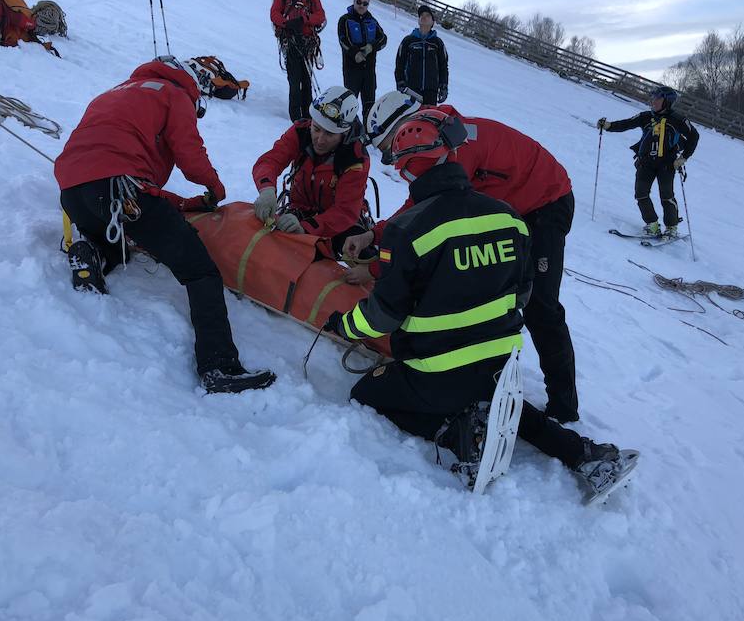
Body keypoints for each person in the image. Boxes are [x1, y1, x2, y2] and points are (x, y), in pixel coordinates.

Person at [324, 110, 635, 498]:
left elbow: (384, 314)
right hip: (497, 364)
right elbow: (521, 295)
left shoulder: (408, 231)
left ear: (405, 172)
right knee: (500, 401)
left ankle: (456, 433)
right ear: (451, 154)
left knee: (366, 394)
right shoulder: (510, 218)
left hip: (433, 371)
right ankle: (585, 454)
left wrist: (341, 325)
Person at [351, 91, 581, 422]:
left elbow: (424, 216)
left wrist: (375, 267)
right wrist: (373, 234)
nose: (396, 159)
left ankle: (564, 406)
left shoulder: (453, 150)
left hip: (544, 203)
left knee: (539, 305)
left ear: (405, 128)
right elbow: (420, 210)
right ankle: (472, 364)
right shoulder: (441, 134)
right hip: (510, 203)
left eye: (390, 149)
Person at [54, 56, 276, 394]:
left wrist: (182, 205)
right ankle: (219, 366)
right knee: (200, 270)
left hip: (73, 191)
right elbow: (189, 153)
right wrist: (214, 188)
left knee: (121, 240)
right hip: (121, 188)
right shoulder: (174, 95)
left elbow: (123, 168)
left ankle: (93, 254)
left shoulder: (115, 92)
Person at [251, 87, 372, 257]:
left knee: (362, 254)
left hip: (339, 222)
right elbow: (269, 161)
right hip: (299, 211)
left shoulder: (355, 158)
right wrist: (267, 190)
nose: (320, 140)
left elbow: (345, 211)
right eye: (316, 129)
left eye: (330, 134)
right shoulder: (301, 132)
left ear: (344, 133)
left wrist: (307, 227)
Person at [597, 86, 700, 239]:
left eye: (657, 99)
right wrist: (609, 126)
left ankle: (671, 227)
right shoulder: (645, 116)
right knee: (641, 193)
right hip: (645, 163)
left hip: (667, 164)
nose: (653, 101)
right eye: (653, 98)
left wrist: (683, 157)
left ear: (667, 102)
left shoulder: (678, 119)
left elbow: (694, 137)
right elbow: (626, 124)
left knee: (666, 196)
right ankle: (652, 225)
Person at [270, 0, 326, 121]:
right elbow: (274, 13)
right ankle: (296, 116)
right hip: (291, 42)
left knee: (306, 80)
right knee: (295, 81)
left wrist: (303, 20)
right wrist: (287, 24)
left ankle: (307, 115)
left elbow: (320, 16)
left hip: (306, 43)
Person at [337, 0, 387, 121]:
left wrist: (372, 47)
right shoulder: (345, 20)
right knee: (349, 103)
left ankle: (368, 132)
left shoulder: (372, 21)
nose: (361, 6)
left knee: (369, 105)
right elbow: (343, 40)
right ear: (354, 1)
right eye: (359, 2)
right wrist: (355, 54)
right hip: (352, 70)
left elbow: (383, 39)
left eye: (365, 3)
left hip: (369, 71)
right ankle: (347, 130)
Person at [394, 5, 448, 105]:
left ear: (432, 22)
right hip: (411, 90)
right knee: (410, 119)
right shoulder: (408, 41)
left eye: (427, 15)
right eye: (421, 15)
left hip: (431, 92)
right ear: (418, 20)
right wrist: (400, 81)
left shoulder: (437, 43)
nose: (424, 17)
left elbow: (443, 67)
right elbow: (399, 64)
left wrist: (443, 86)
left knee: (428, 120)